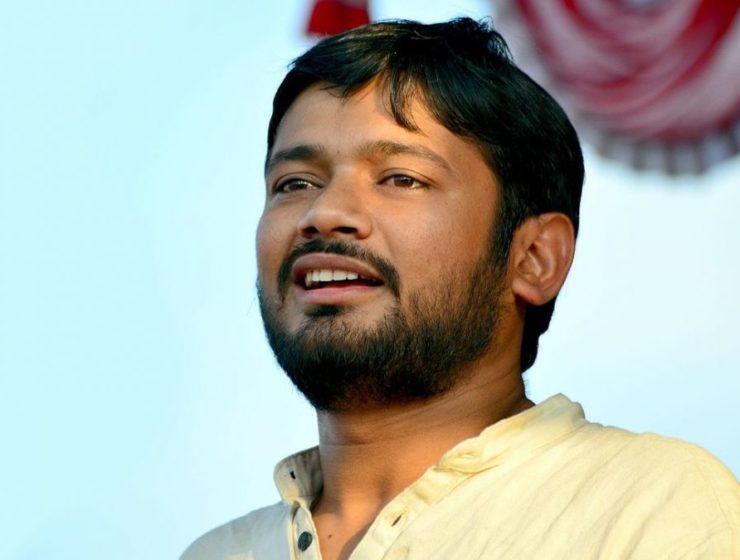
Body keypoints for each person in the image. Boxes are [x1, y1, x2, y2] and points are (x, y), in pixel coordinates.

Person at [182, 17, 740, 560]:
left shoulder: (654, 508)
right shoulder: (218, 553)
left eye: (401, 178)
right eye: (294, 183)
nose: (324, 214)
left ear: (534, 258)